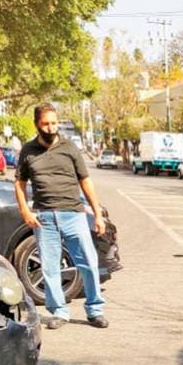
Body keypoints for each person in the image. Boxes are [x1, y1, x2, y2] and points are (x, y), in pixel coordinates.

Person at [13, 103, 109, 330]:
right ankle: (59, 312)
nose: (50, 127)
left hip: (73, 214)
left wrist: (97, 214)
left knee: (88, 263)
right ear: (37, 124)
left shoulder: (69, 148)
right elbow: (19, 182)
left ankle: (95, 310)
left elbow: (85, 180)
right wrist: (25, 210)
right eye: (45, 123)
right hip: (44, 217)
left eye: (54, 123)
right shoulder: (28, 150)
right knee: (50, 267)